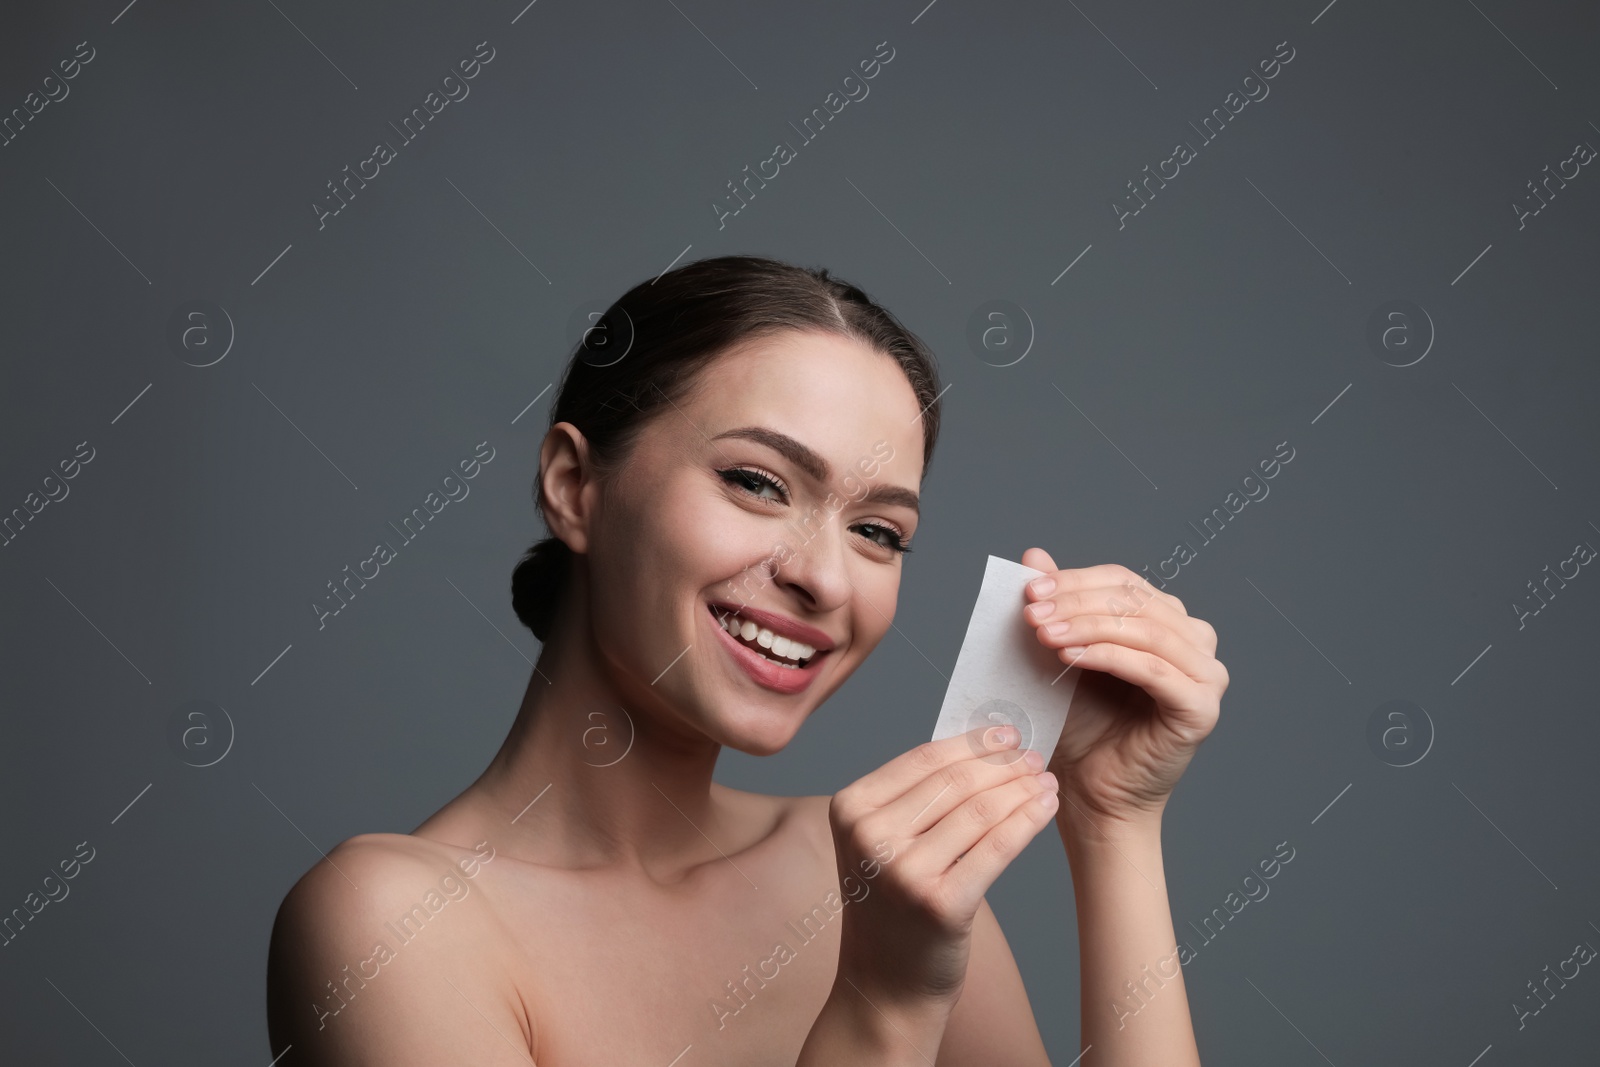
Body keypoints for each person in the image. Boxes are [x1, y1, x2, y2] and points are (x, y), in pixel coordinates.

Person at [265, 254, 1228, 1065]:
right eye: (757, 481)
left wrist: (1113, 823)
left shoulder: (868, 878)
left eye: (879, 532)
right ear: (573, 488)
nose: (825, 578)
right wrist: (881, 1009)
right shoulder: (393, 923)